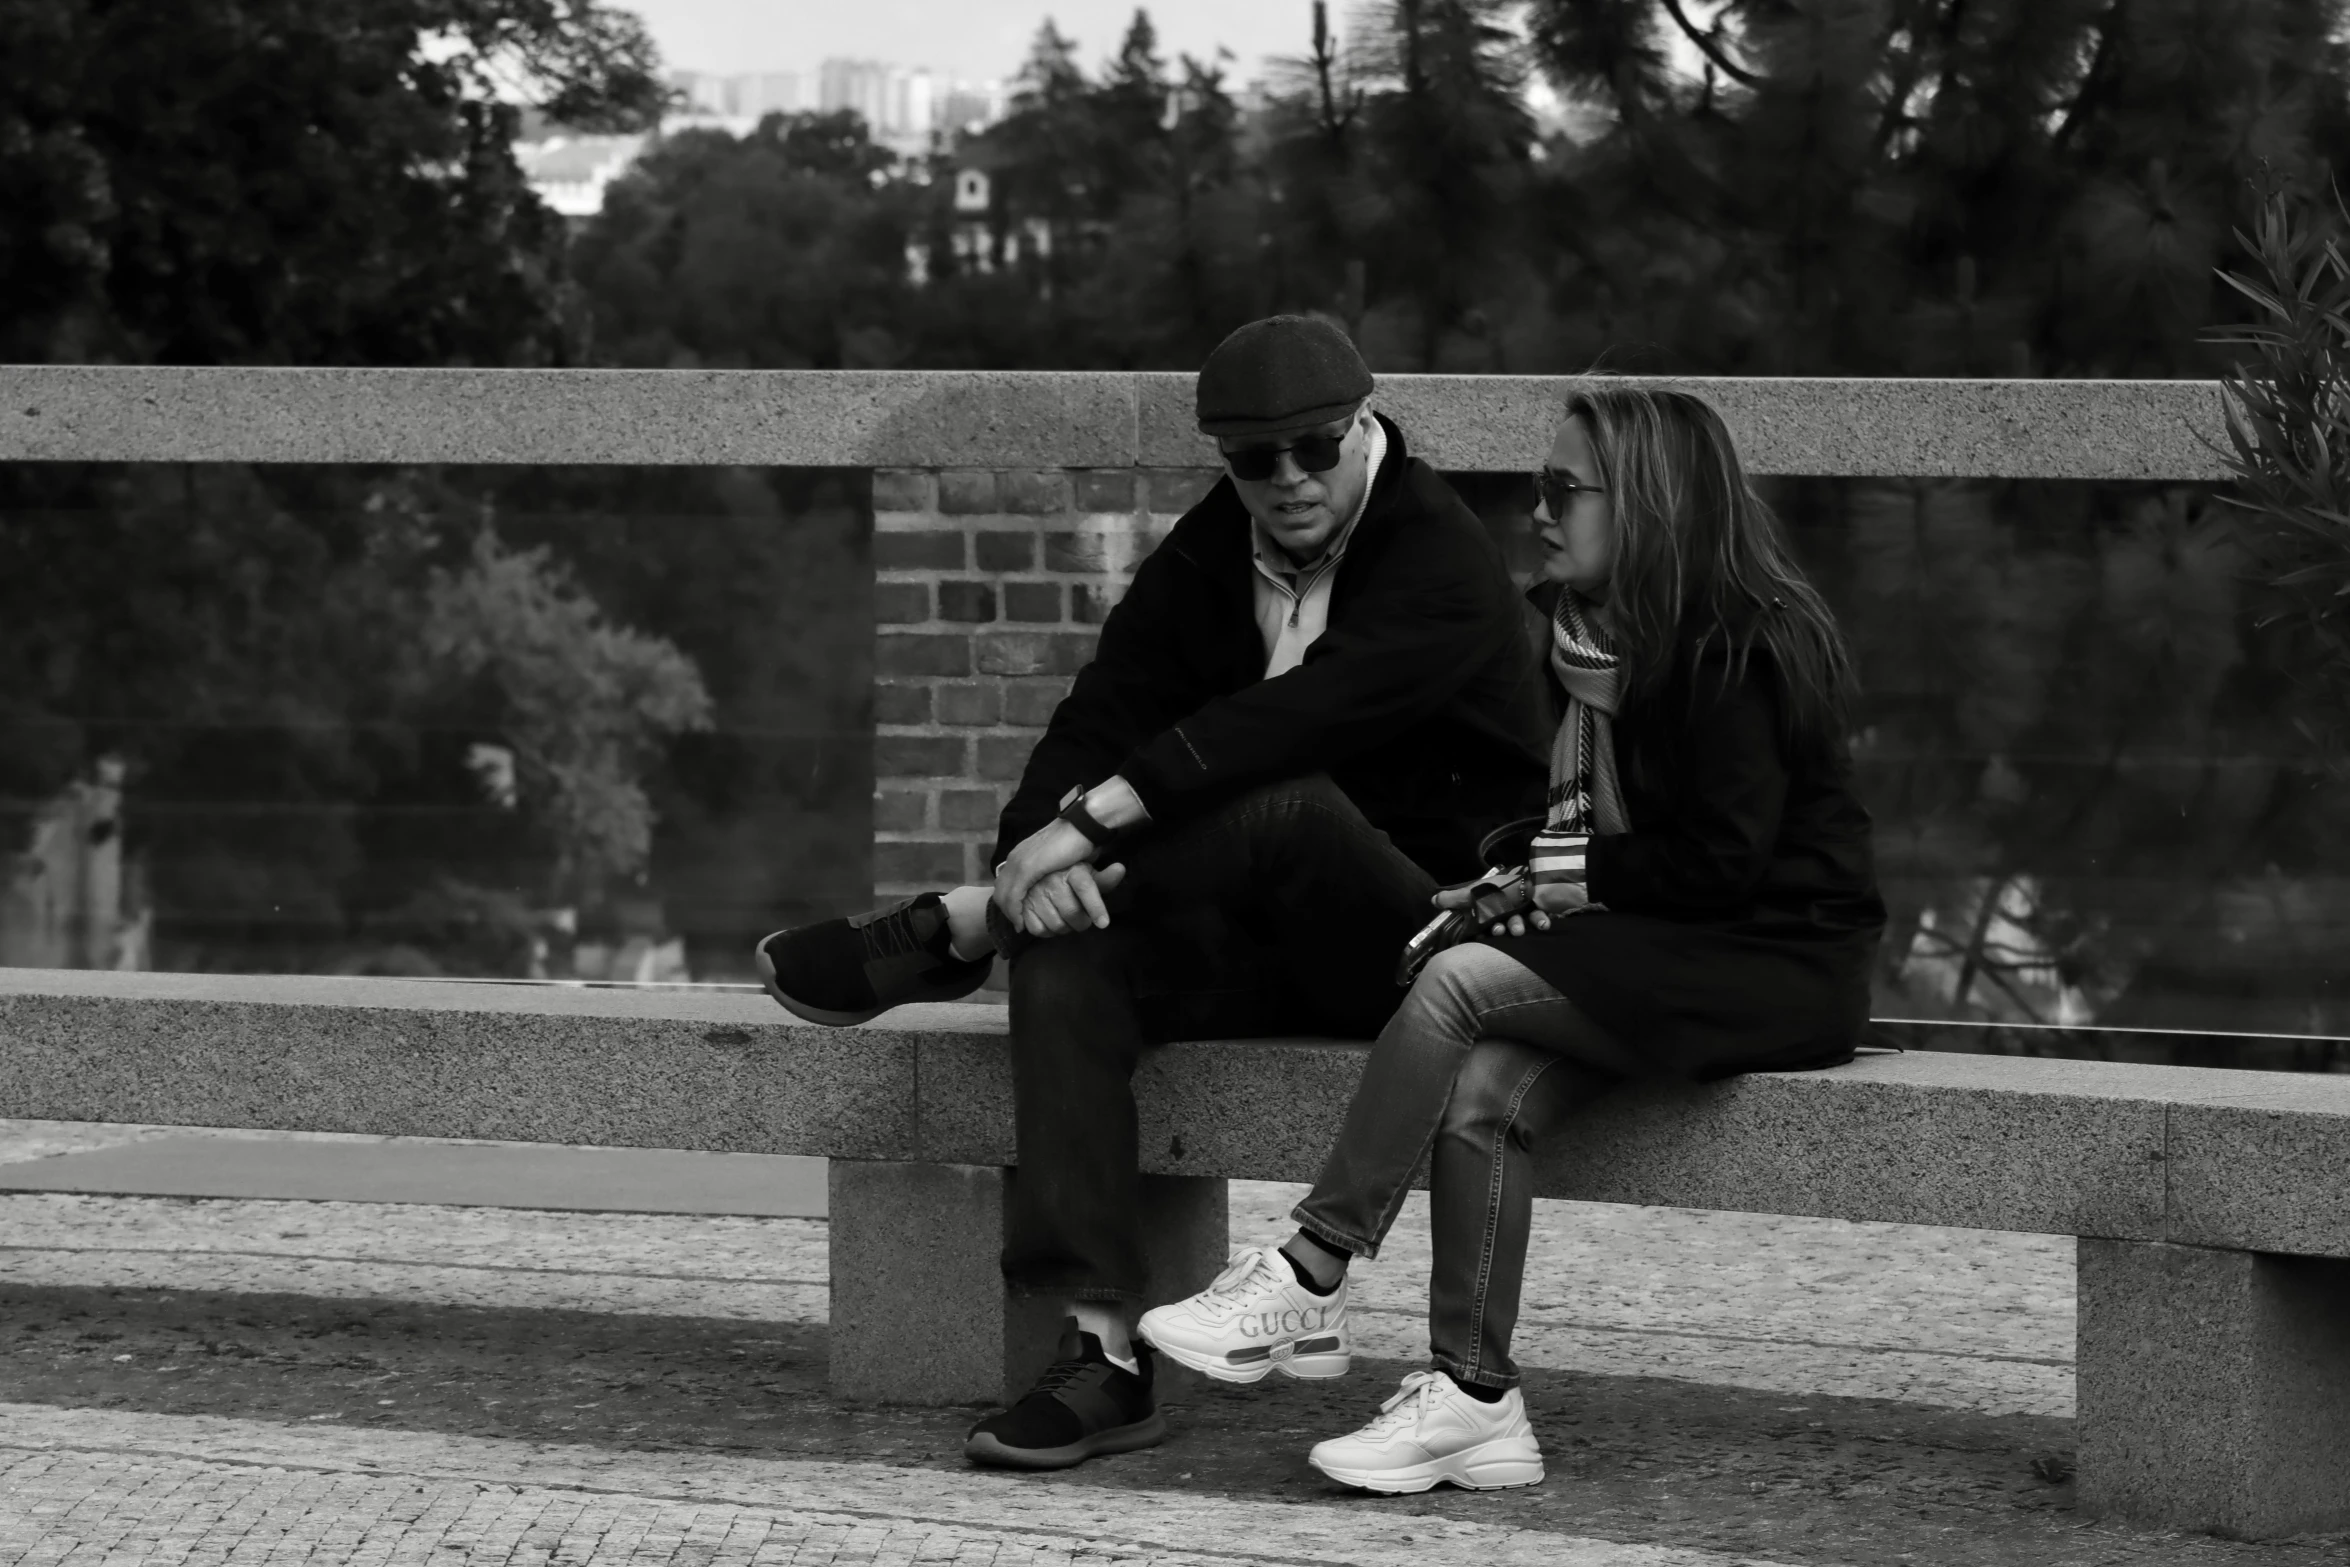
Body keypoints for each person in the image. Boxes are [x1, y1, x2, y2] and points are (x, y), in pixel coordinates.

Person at [754, 314, 1551, 1470]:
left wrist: (1067, 843)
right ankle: (1101, 1355)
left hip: (1423, 956)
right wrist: (1036, 854)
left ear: (1365, 423)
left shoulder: (1442, 556)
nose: (1284, 482)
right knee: (1073, 948)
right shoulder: (1214, 546)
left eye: (1314, 449)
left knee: (1282, 800)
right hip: (1256, 935)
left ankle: (964, 928)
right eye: (1249, 460)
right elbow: (1104, 708)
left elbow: (1285, 725)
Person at [1138, 384, 1887, 1494]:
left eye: (1561, 491)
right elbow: (1585, 830)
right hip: (1678, 943)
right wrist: (1510, 878)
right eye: (1536, 489)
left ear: (1647, 503)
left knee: (1454, 988)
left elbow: (1722, 862)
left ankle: (1313, 1265)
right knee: (1485, 1089)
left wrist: (1558, 878)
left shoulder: (1739, 646)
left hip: (1778, 961)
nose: (1537, 512)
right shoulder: (1589, 638)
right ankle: (1475, 1401)